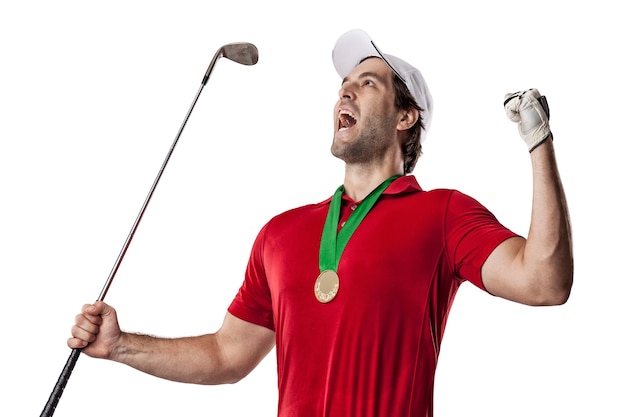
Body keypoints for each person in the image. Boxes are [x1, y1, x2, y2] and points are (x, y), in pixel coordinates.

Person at [68, 29, 574, 416]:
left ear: (406, 117)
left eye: (367, 83)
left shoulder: (442, 214)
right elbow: (227, 355)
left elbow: (544, 281)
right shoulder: (280, 234)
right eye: (343, 87)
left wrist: (539, 143)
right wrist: (120, 345)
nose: (344, 95)